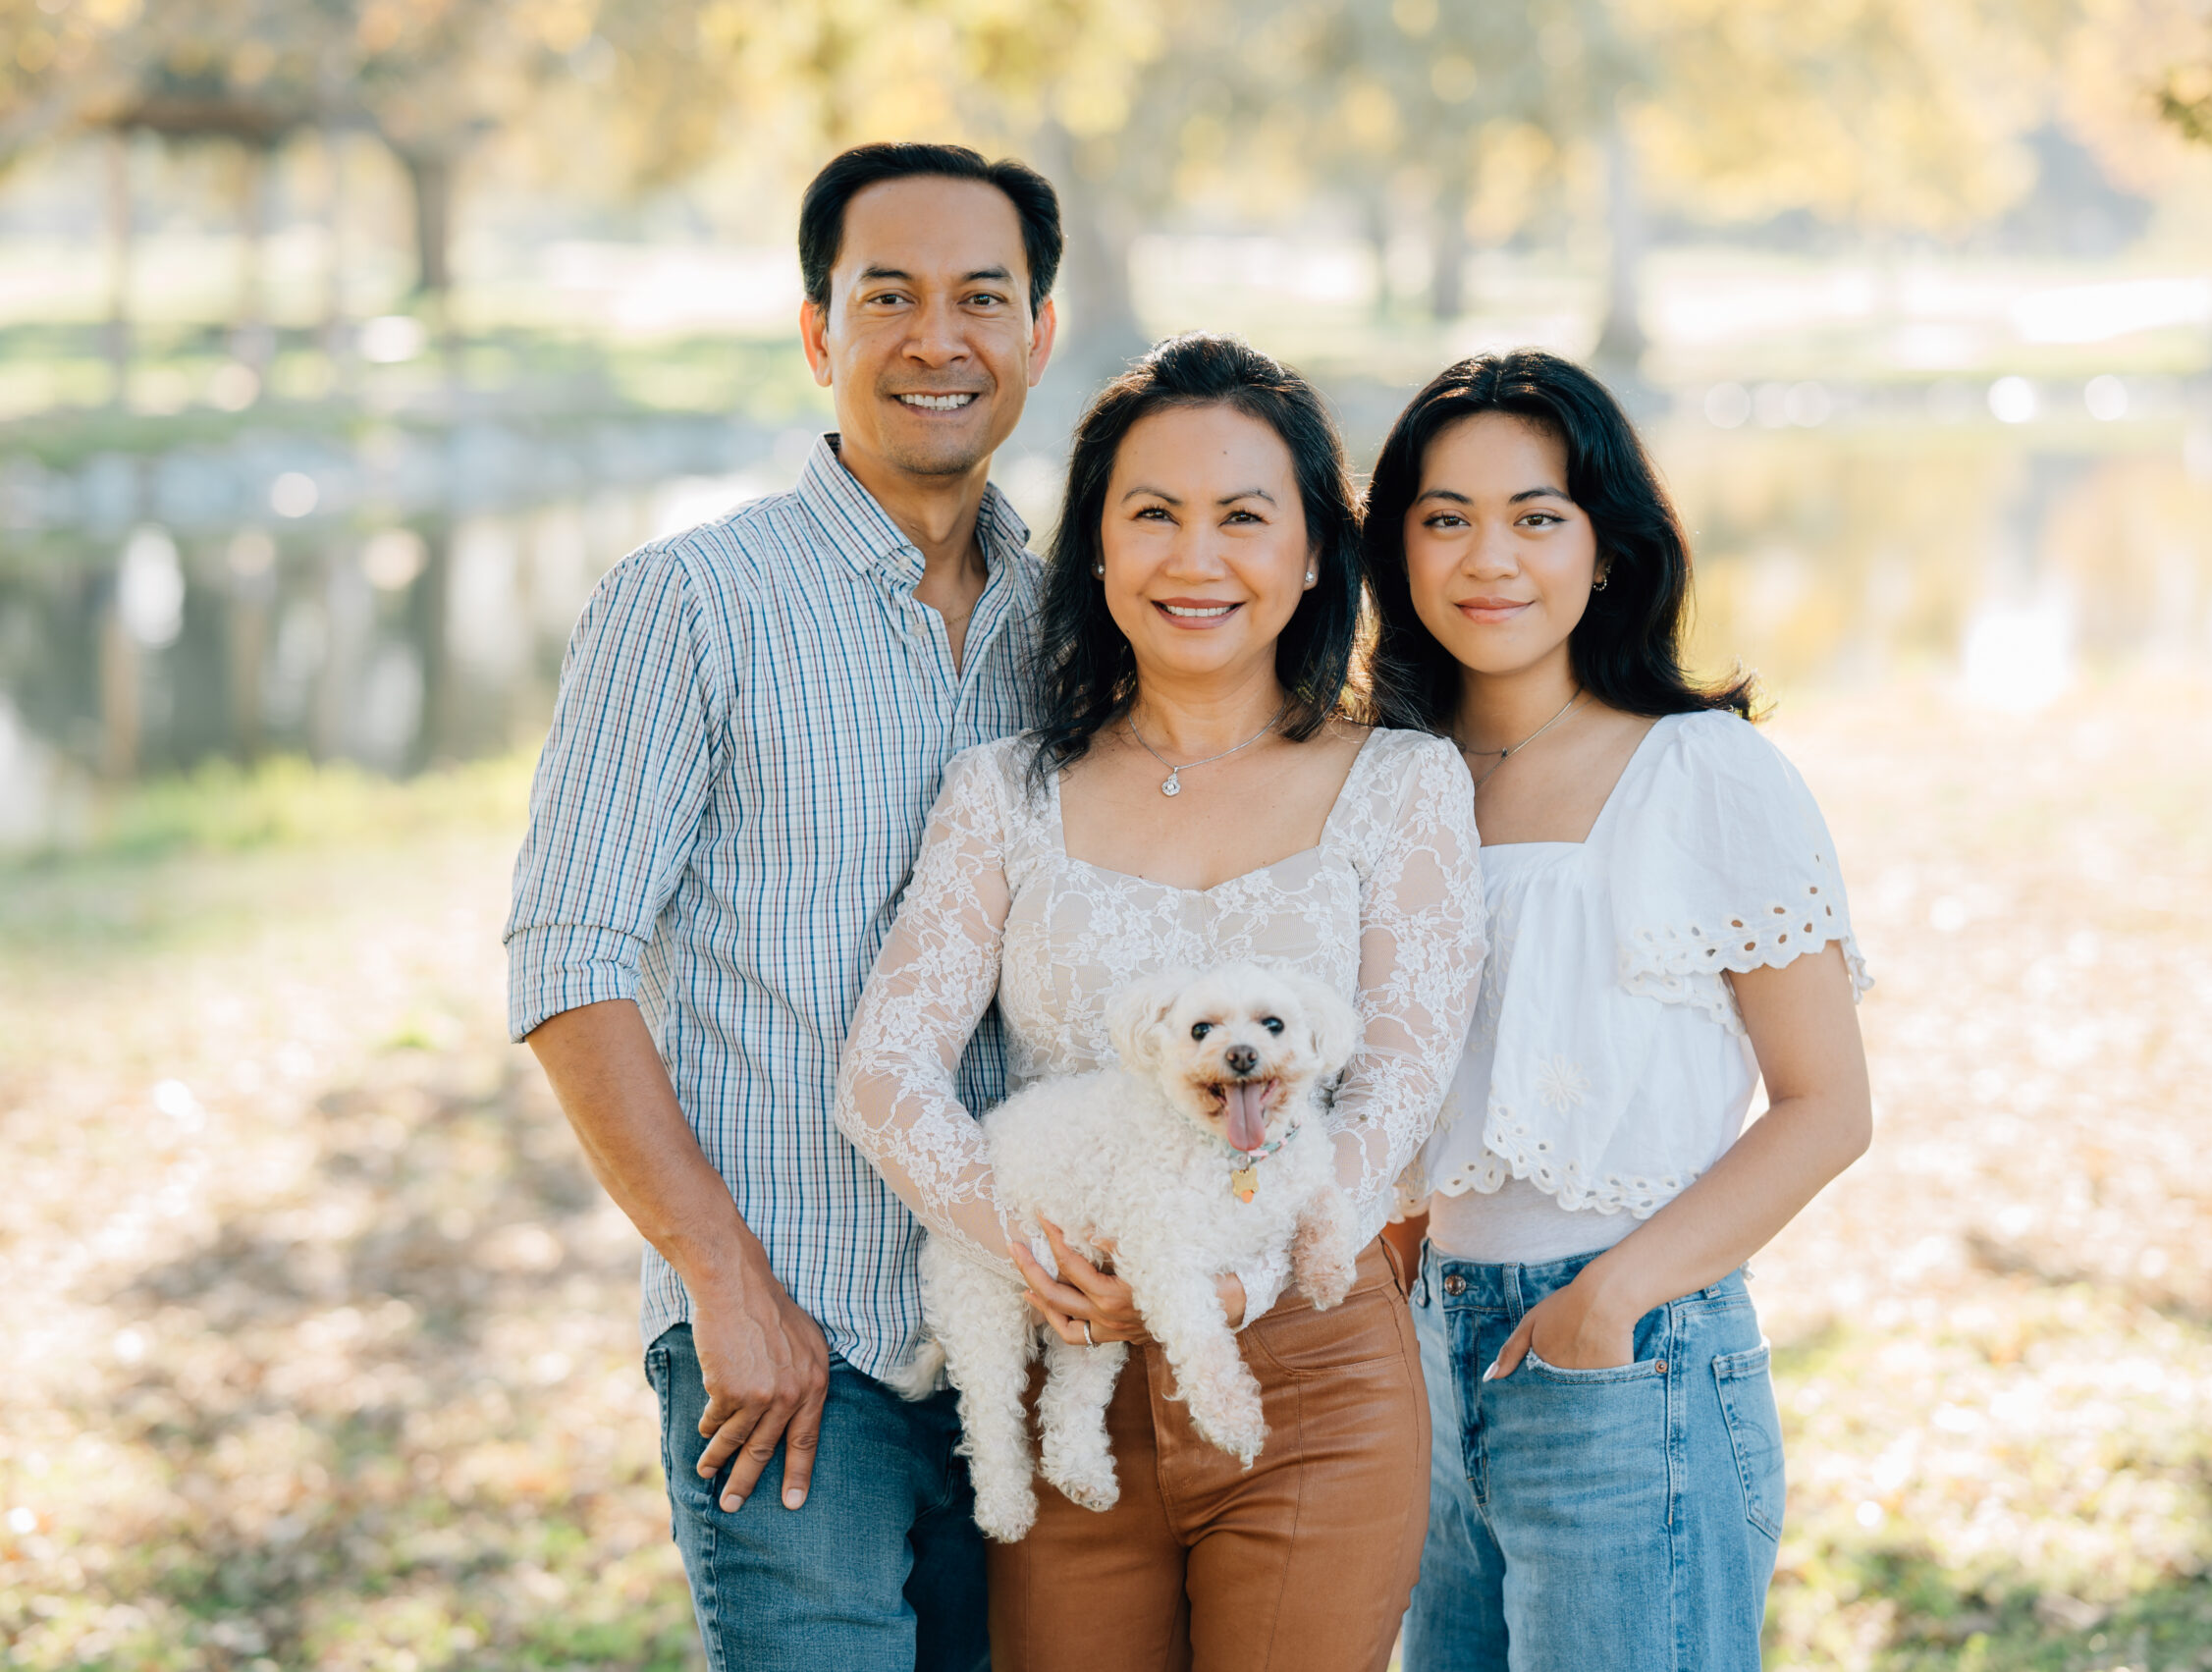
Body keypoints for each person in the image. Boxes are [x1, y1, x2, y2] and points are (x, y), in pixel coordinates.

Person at [835, 332, 1485, 1672]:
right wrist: (1038, 1256)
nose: (1197, 560)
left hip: (1311, 1370)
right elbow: (886, 1070)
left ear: (1313, 553)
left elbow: (1405, 1080)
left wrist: (1240, 1286)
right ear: (1098, 553)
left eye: (1245, 518)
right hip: (1065, 1369)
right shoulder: (1004, 794)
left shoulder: (1406, 785)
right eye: (1153, 516)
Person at [504, 141, 1063, 1672]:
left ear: (1039, 336)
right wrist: (721, 1284)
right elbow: (568, 963)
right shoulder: (689, 604)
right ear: (820, 333)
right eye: (888, 297)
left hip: (1034, 1346)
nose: (936, 339)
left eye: (980, 298)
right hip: (790, 1345)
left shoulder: (1085, 619)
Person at [1363, 351, 1873, 1672]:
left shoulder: (1703, 774)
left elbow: (1827, 1107)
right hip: (1425, 1351)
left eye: (1538, 515)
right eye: (1445, 518)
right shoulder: (1381, 783)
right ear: (1399, 552)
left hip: (1629, 1356)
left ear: (1605, 548)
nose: (1492, 557)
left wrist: (1611, 1302)